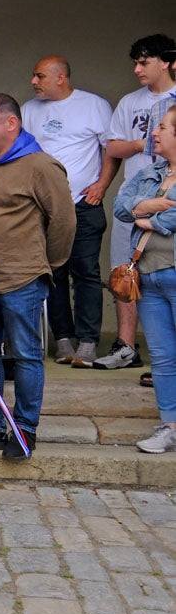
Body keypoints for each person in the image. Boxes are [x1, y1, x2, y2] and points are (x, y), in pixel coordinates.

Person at [0, 94, 75, 460]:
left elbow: (65, 222)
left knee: (26, 356)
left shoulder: (40, 165)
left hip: (21, 280)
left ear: (11, 124)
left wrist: (44, 264)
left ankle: (24, 428)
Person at [22, 56, 117, 368]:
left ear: (60, 77)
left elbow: (111, 151)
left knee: (86, 271)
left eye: (39, 76)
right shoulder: (29, 109)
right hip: (45, 207)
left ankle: (88, 340)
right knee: (54, 272)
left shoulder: (94, 105)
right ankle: (62, 338)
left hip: (84, 204)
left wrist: (102, 185)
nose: (33, 82)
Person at [103, 35, 176, 370]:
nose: (137, 69)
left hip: (171, 197)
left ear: (166, 61)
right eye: (135, 62)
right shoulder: (130, 102)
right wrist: (142, 143)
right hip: (134, 199)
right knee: (125, 270)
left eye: (144, 62)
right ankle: (126, 346)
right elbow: (113, 148)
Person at [114, 104, 176, 453]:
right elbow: (121, 207)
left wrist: (149, 217)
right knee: (163, 357)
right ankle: (169, 426)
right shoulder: (152, 172)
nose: (154, 133)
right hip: (148, 276)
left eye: (163, 128)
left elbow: (169, 220)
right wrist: (154, 208)